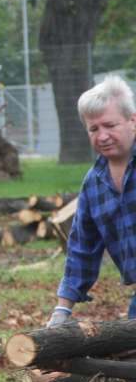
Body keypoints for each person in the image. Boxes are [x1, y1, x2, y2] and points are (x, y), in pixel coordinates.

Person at [47, 75, 136, 328]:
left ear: (132, 121)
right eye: (94, 129)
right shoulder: (94, 183)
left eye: (110, 125)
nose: (102, 136)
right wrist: (62, 309)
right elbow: (82, 247)